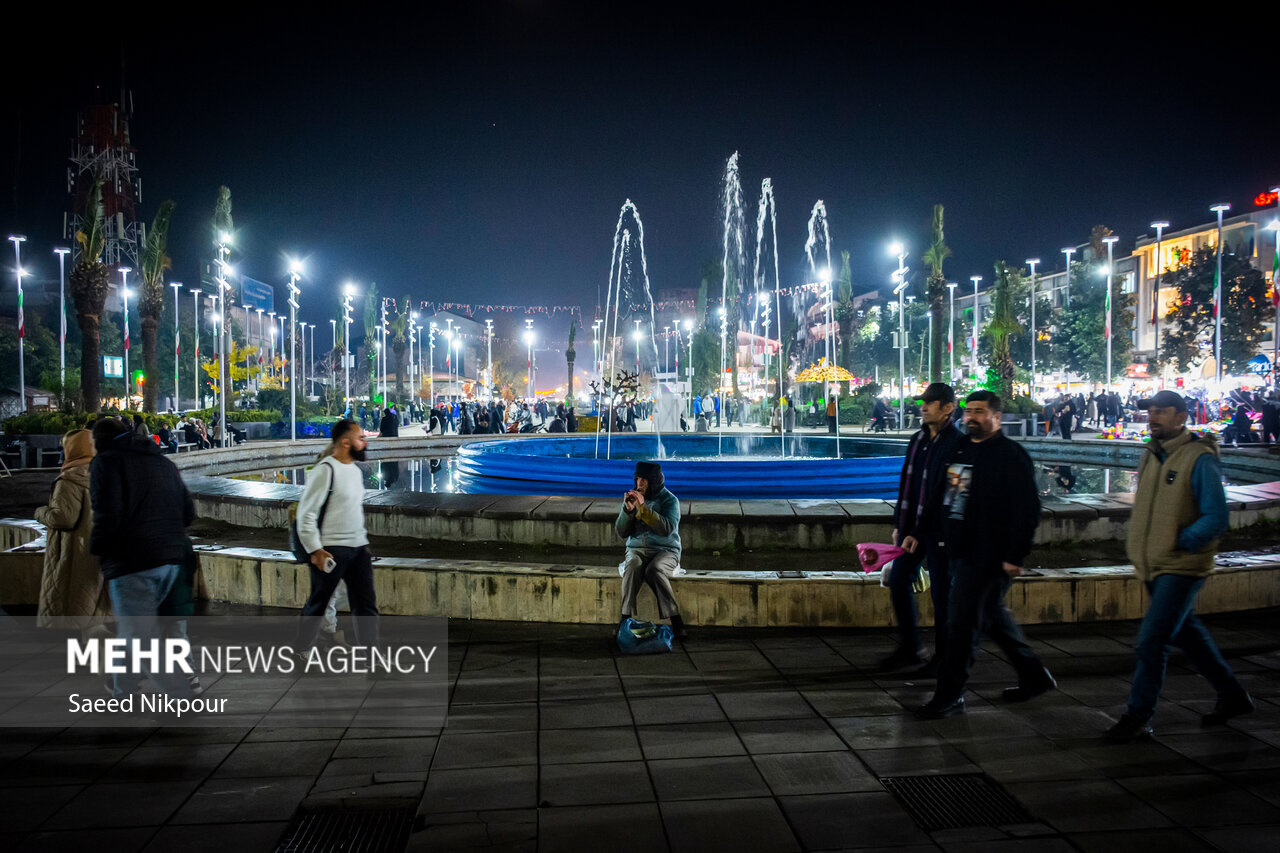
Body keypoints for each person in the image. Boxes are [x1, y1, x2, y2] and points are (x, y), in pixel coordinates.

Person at [1107, 390, 1253, 740]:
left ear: (1181, 417)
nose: (1153, 417)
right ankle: (1232, 696)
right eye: (1150, 411)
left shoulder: (1199, 458)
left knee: (1151, 641)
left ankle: (1138, 716)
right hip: (1153, 562)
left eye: (1162, 411)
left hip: (1182, 565)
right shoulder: (1151, 454)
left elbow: (1216, 516)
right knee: (1189, 635)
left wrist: (1180, 541)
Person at [916, 391, 1055, 719]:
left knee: (961, 625)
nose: (971, 417)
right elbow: (945, 494)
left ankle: (950, 694)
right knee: (992, 617)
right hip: (959, 550)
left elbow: (1027, 510)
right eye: (969, 412)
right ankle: (1034, 676)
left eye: (979, 412)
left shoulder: (1011, 455)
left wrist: (1015, 556)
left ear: (997, 417)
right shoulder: (960, 448)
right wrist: (920, 532)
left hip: (989, 555)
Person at [89, 417, 196, 699]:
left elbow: (106, 514)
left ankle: (180, 695)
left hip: (131, 560)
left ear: (98, 440)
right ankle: (120, 689)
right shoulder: (163, 463)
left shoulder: (106, 462)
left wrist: (100, 552)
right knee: (134, 630)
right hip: (170, 560)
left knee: (140, 637)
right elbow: (189, 513)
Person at [883, 383, 961, 673]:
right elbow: (907, 485)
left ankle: (945, 657)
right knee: (898, 579)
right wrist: (899, 526)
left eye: (930, 403)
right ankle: (910, 647)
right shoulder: (917, 439)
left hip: (939, 532)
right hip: (913, 528)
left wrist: (918, 530)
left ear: (947, 408)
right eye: (923, 402)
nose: (923, 406)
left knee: (942, 595)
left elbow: (949, 495)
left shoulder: (956, 443)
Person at [294, 420, 381, 660]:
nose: (365, 443)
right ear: (345, 442)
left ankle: (373, 654)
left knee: (365, 604)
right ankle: (302, 649)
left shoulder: (354, 470)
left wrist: (363, 542)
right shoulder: (326, 470)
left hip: (358, 548)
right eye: (360, 438)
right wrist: (315, 549)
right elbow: (307, 513)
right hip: (332, 550)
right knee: (319, 602)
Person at [36, 429, 113, 632]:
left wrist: (40, 512)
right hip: (101, 549)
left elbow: (63, 518)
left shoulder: (68, 481)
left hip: (75, 553)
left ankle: (99, 657)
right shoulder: (105, 474)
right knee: (95, 612)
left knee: (79, 611)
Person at [617, 461, 686, 640]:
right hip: (637, 549)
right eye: (638, 478)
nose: (640, 484)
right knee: (632, 565)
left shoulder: (670, 500)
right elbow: (621, 532)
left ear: (654, 481)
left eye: (645, 480)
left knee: (654, 570)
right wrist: (628, 510)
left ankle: (675, 618)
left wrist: (643, 508)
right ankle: (625, 619)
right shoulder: (633, 498)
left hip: (666, 550)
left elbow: (666, 528)